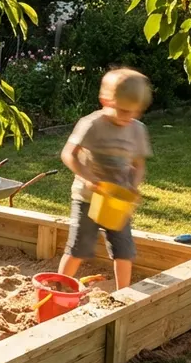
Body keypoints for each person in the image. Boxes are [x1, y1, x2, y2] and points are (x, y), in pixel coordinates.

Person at [58, 67, 152, 289]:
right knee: (79, 247)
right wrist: (89, 178)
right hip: (88, 197)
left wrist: (133, 185)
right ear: (105, 101)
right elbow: (68, 154)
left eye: (134, 112)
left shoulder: (137, 129)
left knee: (124, 250)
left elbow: (139, 164)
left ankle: (123, 294)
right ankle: (58, 287)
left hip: (117, 200)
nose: (127, 117)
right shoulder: (92, 124)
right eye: (122, 110)